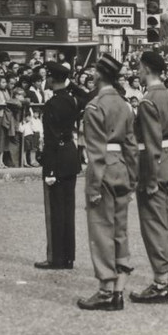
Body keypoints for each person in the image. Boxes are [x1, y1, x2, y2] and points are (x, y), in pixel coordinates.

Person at [78, 52, 138, 311]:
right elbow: (132, 146)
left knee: (101, 232)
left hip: (103, 171)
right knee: (120, 230)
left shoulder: (94, 106)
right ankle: (119, 288)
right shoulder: (125, 105)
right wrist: (133, 178)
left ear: (100, 75)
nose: (92, 75)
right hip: (122, 169)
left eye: (94, 72)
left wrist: (92, 186)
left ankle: (105, 290)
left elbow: (95, 152)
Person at [130, 49, 168, 304]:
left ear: (147, 69)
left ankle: (161, 282)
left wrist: (149, 179)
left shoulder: (147, 100)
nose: (138, 73)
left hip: (153, 166)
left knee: (154, 225)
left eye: (140, 69)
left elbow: (151, 143)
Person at [36, 62, 81, 271]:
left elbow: (51, 139)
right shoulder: (71, 100)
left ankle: (56, 257)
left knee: (55, 211)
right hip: (71, 155)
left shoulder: (52, 104)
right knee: (68, 210)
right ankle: (69, 256)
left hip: (57, 158)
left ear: (52, 79)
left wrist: (50, 168)